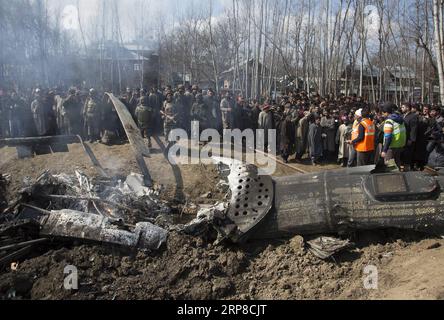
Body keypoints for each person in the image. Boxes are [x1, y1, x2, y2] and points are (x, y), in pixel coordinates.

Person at [380, 103, 406, 169]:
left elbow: (388, 137)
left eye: (383, 113)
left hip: (391, 148)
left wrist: (384, 150)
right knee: (397, 164)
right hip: (400, 145)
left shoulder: (389, 121)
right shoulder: (400, 119)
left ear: (387, 112)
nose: (382, 115)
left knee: (390, 167)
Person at [401, 103, 418, 171]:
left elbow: (413, 129)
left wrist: (411, 140)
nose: (401, 108)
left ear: (407, 108)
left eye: (403, 107)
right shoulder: (403, 115)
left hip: (409, 140)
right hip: (403, 139)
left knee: (408, 157)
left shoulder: (413, 116)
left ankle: (408, 171)